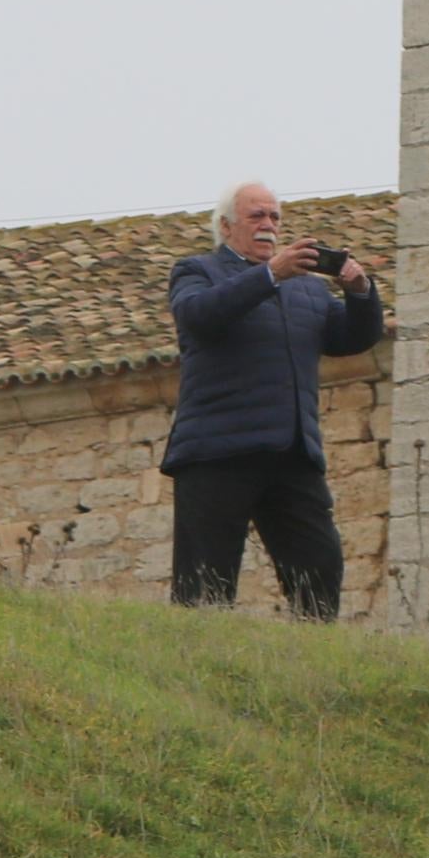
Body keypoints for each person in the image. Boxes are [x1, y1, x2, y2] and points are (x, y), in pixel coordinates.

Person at [162, 181, 384, 616]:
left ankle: (313, 667)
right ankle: (192, 667)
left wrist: (359, 291)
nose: (269, 225)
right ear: (226, 227)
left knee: (319, 568)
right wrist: (269, 275)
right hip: (216, 451)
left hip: (291, 453)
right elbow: (199, 316)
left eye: (275, 217)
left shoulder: (309, 290)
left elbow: (352, 338)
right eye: (257, 216)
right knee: (205, 582)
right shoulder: (196, 271)